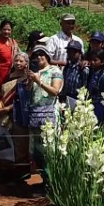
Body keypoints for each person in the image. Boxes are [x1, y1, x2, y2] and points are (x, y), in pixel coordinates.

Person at [27, 47, 62, 192]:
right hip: (35, 114)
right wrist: (31, 80)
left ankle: (52, 183)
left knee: (49, 150)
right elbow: (30, 91)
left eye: (42, 54)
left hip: (49, 114)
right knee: (37, 151)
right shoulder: (36, 72)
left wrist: (38, 81)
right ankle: (45, 181)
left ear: (47, 56)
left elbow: (55, 91)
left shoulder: (55, 71)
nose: (39, 57)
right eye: (36, 55)